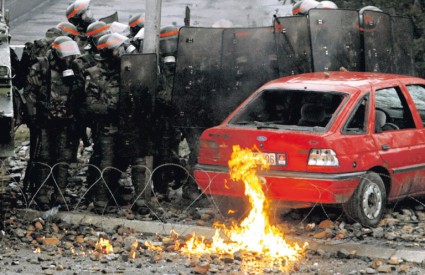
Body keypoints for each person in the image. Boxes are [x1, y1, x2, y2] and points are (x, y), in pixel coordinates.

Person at [84, 33, 151, 212]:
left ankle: (141, 202)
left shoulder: (130, 71)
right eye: (117, 49)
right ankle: (101, 201)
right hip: (108, 126)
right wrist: (110, 109)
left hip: (131, 125)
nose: (121, 53)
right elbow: (90, 104)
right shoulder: (95, 74)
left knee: (139, 163)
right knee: (106, 164)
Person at [24, 36, 82, 210]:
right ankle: (40, 194)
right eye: (66, 56)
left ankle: (59, 193)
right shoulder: (41, 66)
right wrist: (33, 117)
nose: (69, 59)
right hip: (44, 121)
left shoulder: (73, 67)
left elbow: (79, 92)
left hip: (64, 120)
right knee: (43, 157)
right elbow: (29, 93)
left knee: (62, 159)